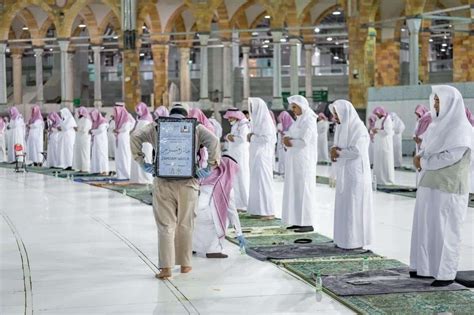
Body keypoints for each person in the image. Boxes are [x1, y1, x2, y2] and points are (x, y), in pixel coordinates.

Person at [130, 103, 220, 279]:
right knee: (185, 224)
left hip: (163, 182)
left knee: (165, 225)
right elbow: (214, 142)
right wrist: (208, 168)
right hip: (188, 183)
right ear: (185, 115)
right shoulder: (194, 127)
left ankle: (166, 268)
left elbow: (135, 137)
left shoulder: (157, 127)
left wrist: (143, 162)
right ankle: (185, 265)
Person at [410, 85, 471, 287]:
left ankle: (445, 273)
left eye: (438, 101)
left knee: (446, 230)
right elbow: (426, 150)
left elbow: (451, 157)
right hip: (430, 183)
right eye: (434, 100)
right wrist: (420, 158)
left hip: (449, 187)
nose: (434, 104)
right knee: (428, 227)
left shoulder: (462, 128)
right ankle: (426, 268)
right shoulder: (437, 126)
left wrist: (423, 162)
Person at [329, 100, 373, 249]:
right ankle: (343, 239)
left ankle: (354, 241)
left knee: (354, 206)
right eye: (334, 114)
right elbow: (338, 147)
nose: (335, 117)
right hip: (345, 173)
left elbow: (357, 152)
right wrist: (335, 151)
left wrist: (338, 152)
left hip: (356, 175)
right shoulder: (342, 128)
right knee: (344, 206)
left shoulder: (359, 129)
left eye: (337, 113)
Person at [193, 155, 246, 258]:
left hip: (193, 213)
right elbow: (233, 213)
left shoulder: (206, 176)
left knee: (203, 215)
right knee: (224, 215)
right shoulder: (226, 186)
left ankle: (193, 248)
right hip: (206, 216)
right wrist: (239, 233)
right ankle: (213, 250)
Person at [282, 95, 318, 232]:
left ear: (302, 106)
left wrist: (289, 141)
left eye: (295, 107)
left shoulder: (309, 120)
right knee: (295, 190)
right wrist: (287, 140)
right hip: (295, 160)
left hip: (304, 161)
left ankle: (307, 222)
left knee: (304, 190)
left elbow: (304, 141)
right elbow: (289, 134)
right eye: (292, 107)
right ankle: (297, 220)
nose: (293, 110)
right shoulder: (298, 121)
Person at [247, 97, 277, 219]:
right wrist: (252, 136)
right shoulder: (257, 123)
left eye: (253, 108)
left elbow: (268, 139)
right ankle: (258, 210)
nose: (251, 110)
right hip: (256, 157)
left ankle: (267, 211)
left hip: (263, 157)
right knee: (256, 184)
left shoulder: (266, 122)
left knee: (264, 183)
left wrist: (252, 137)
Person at [224, 108, 251, 212]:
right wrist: (229, 136)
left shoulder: (243, 125)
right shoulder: (237, 125)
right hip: (235, 154)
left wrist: (231, 137)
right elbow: (230, 137)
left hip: (241, 154)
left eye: (230, 117)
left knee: (242, 177)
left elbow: (242, 139)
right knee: (236, 178)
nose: (229, 119)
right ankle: (239, 204)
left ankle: (245, 203)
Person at [130, 102, 154, 184]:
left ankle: (145, 179)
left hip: (145, 144)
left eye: (138, 109)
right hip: (139, 143)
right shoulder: (140, 120)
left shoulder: (146, 120)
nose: (137, 111)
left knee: (144, 160)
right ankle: (137, 179)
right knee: (137, 160)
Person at [371, 106, 395, 185]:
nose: (377, 115)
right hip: (378, 144)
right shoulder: (378, 120)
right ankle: (378, 179)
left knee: (385, 162)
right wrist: (374, 131)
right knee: (378, 162)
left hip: (385, 144)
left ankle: (386, 180)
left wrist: (376, 131)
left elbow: (387, 132)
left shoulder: (387, 119)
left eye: (377, 113)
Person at [114, 105, 134, 179]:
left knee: (124, 155)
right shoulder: (120, 120)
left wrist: (118, 130)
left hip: (124, 138)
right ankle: (120, 175)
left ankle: (126, 174)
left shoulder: (126, 119)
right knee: (119, 156)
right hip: (119, 138)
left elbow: (125, 129)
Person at [72, 107, 92, 172]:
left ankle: (85, 168)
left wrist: (78, 129)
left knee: (84, 153)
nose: (79, 113)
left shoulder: (87, 120)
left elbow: (85, 129)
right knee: (79, 153)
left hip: (84, 138)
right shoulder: (80, 119)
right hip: (79, 138)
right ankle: (80, 167)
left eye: (79, 112)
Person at [90, 110, 109, 175]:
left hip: (101, 141)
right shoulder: (95, 122)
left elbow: (100, 130)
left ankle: (104, 170)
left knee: (102, 155)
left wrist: (92, 131)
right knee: (96, 155)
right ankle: (97, 170)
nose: (92, 117)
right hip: (96, 141)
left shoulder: (102, 121)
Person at [276, 111, 294, 175]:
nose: (282, 120)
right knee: (281, 158)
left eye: (283, 119)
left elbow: (292, 134)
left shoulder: (292, 124)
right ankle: (281, 171)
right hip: (281, 144)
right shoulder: (281, 125)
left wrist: (283, 133)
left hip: (289, 144)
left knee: (288, 159)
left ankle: (287, 172)